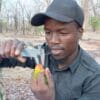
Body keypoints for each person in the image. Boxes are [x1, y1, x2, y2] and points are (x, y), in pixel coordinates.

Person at [0, 0, 100, 100]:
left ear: (80, 33)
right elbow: (7, 59)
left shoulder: (94, 78)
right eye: (48, 32)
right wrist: (6, 51)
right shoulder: (43, 53)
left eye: (63, 33)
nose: (53, 41)